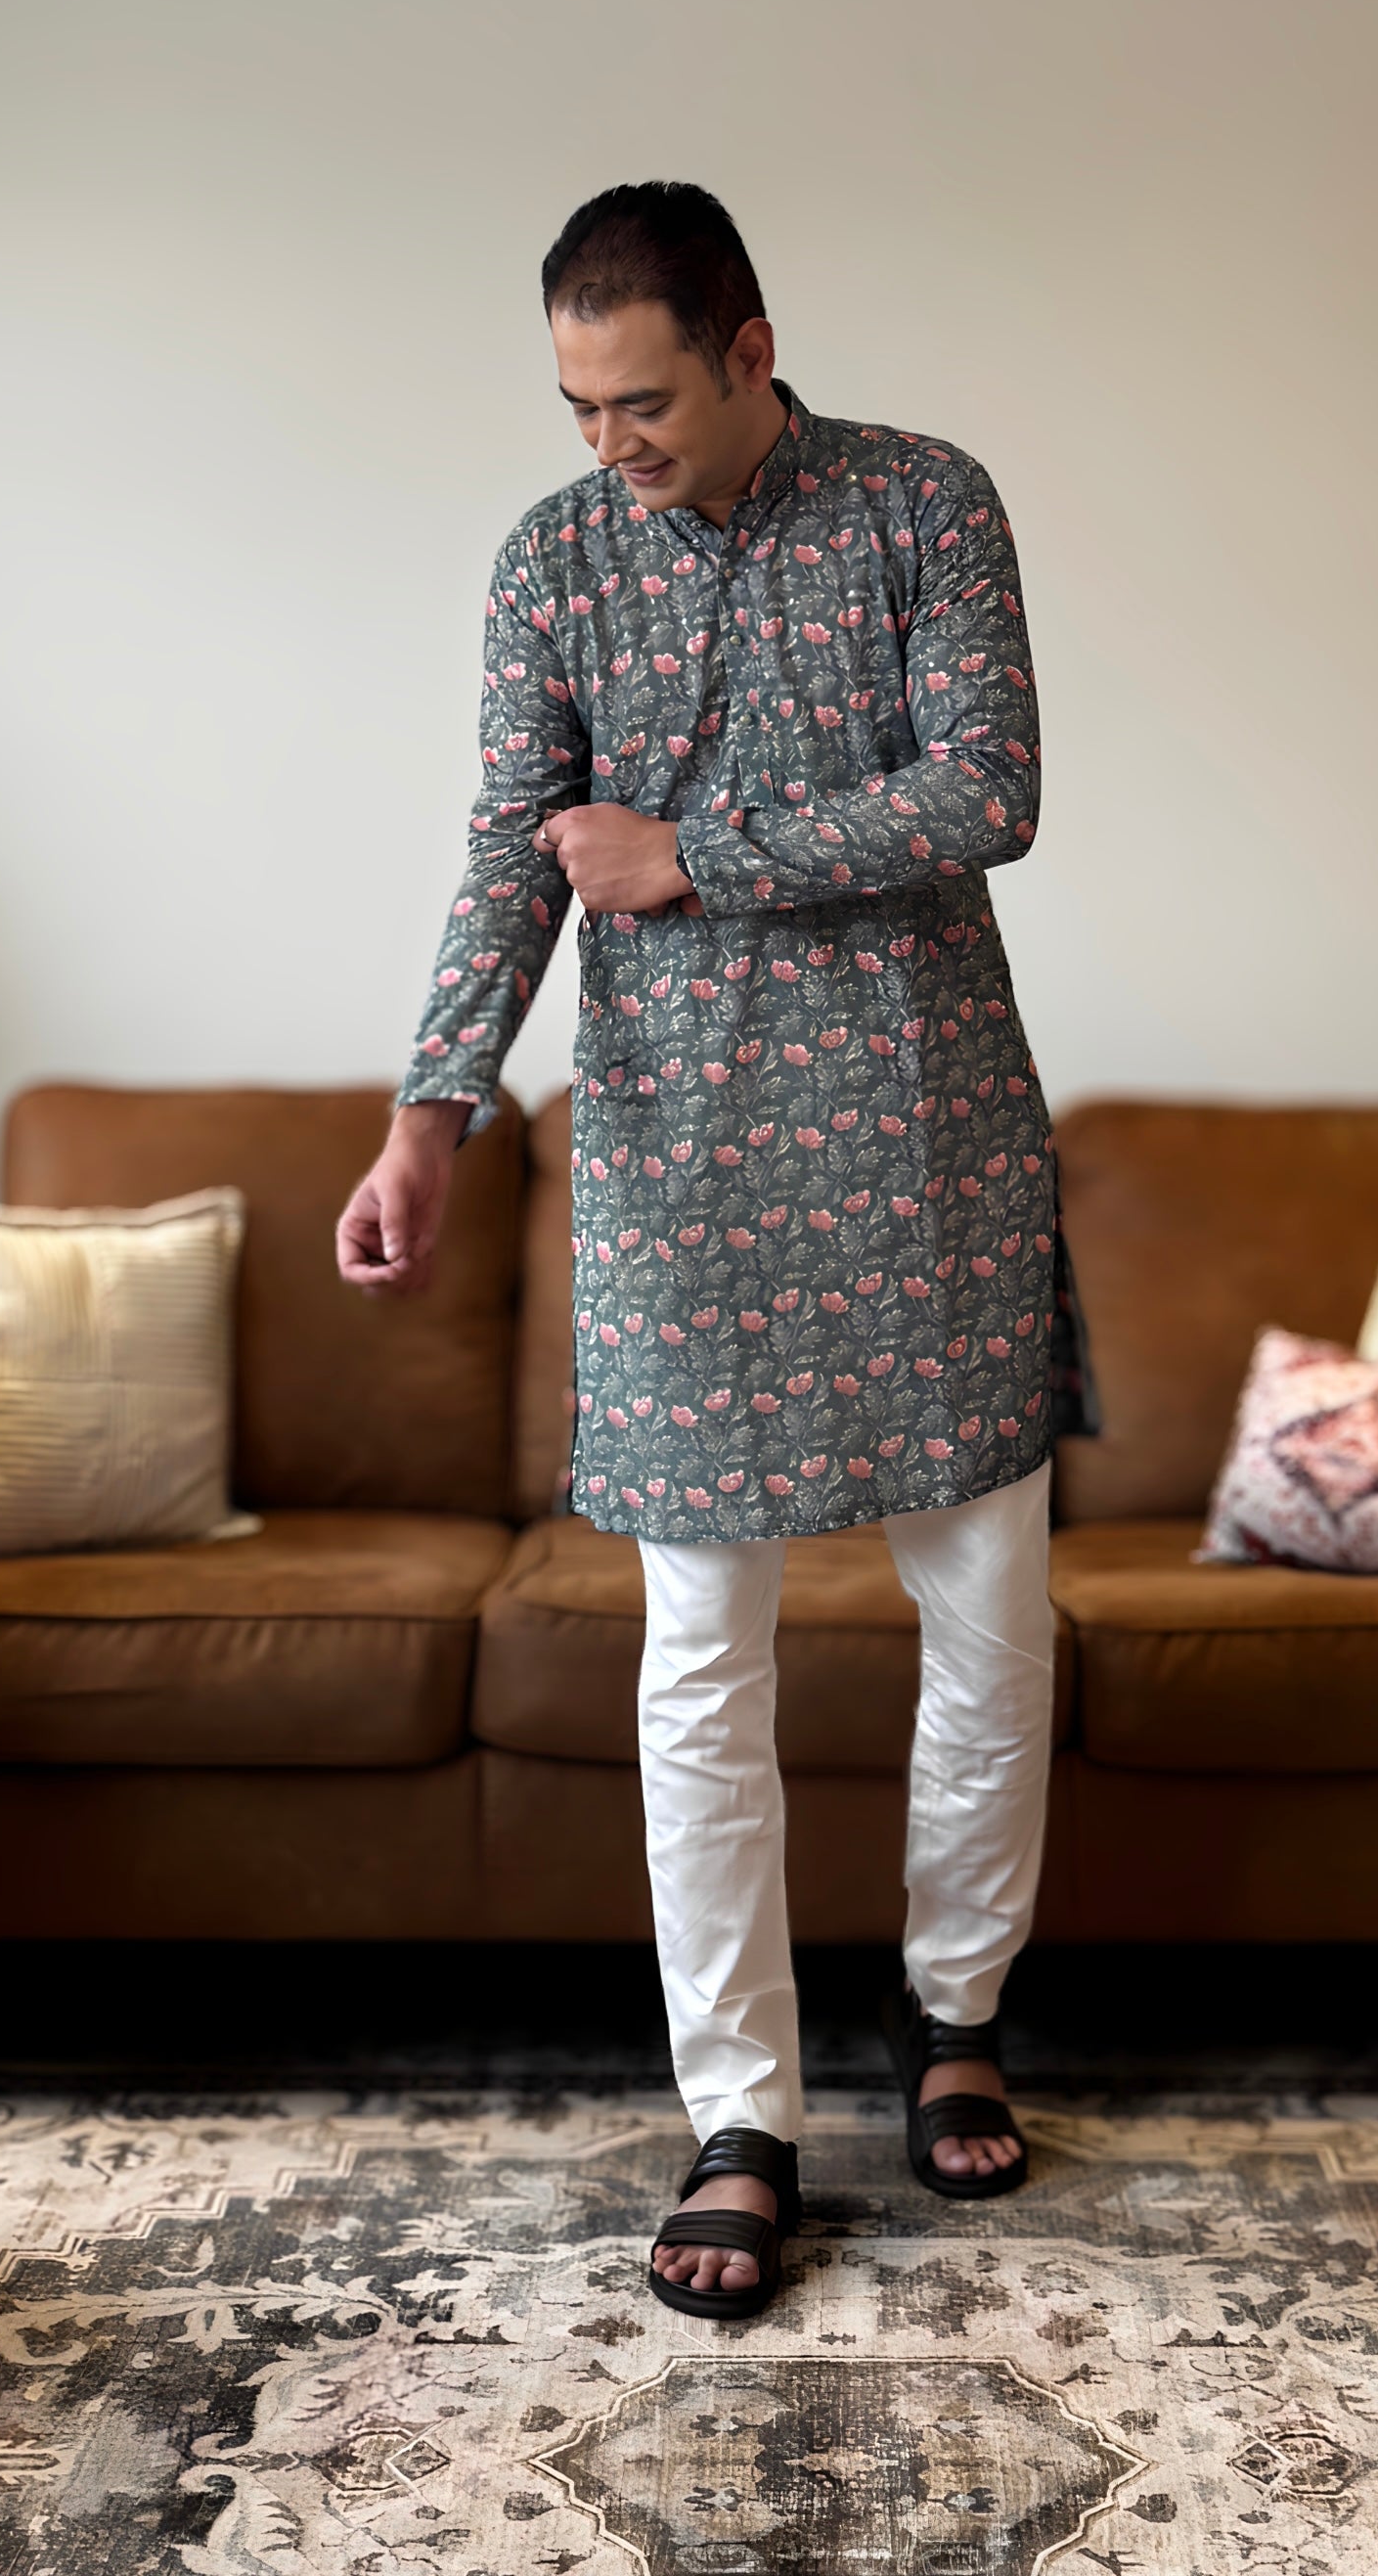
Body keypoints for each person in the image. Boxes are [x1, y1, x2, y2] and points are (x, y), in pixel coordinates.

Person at [336, 181, 1097, 2319]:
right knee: (702, 1670)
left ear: (752, 348)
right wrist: (432, 1118)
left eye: (644, 398)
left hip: (932, 1145)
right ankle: (740, 2112)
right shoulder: (553, 564)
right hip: (679, 1174)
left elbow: (993, 789)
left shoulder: (927, 506)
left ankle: (952, 2013)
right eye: (580, 405)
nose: (612, 443)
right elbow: (512, 854)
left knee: (991, 1629)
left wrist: (701, 858)